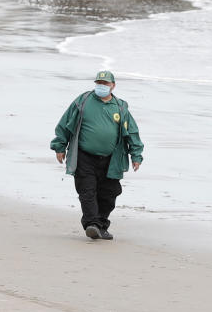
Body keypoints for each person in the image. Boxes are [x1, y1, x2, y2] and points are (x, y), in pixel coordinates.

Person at [49, 70, 144, 241]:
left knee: (109, 194)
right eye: (99, 83)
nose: (101, 86)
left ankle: (100, 225)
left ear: (113, 86)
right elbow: (65, 123)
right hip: (85, 156)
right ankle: (92, 224)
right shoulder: (83, 101)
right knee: (87, 191)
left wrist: (136, 155)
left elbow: (132, 132)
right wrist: (59, 146)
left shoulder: (120, 107)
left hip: (111, 159)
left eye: (105, 84)